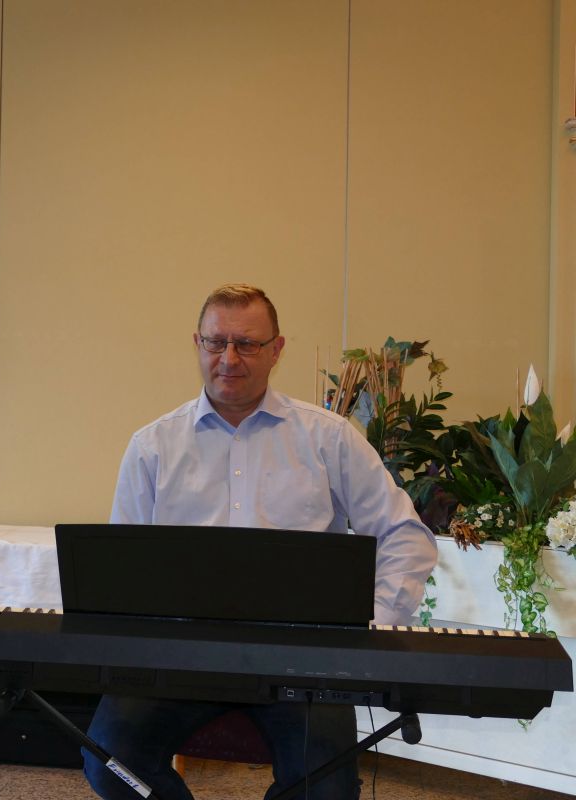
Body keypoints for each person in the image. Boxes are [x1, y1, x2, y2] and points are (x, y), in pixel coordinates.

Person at [84, 283, 437, 800]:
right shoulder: (153, 446)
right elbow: (123, 571)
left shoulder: (329, 438)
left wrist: (373, 628)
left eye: (247, 344)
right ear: (198, 344)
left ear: (277, 350)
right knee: (109, 762)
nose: (229, 358)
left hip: (306, 662)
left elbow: (405, 534)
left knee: (326, 786)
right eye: (216, 342)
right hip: (180, 660)